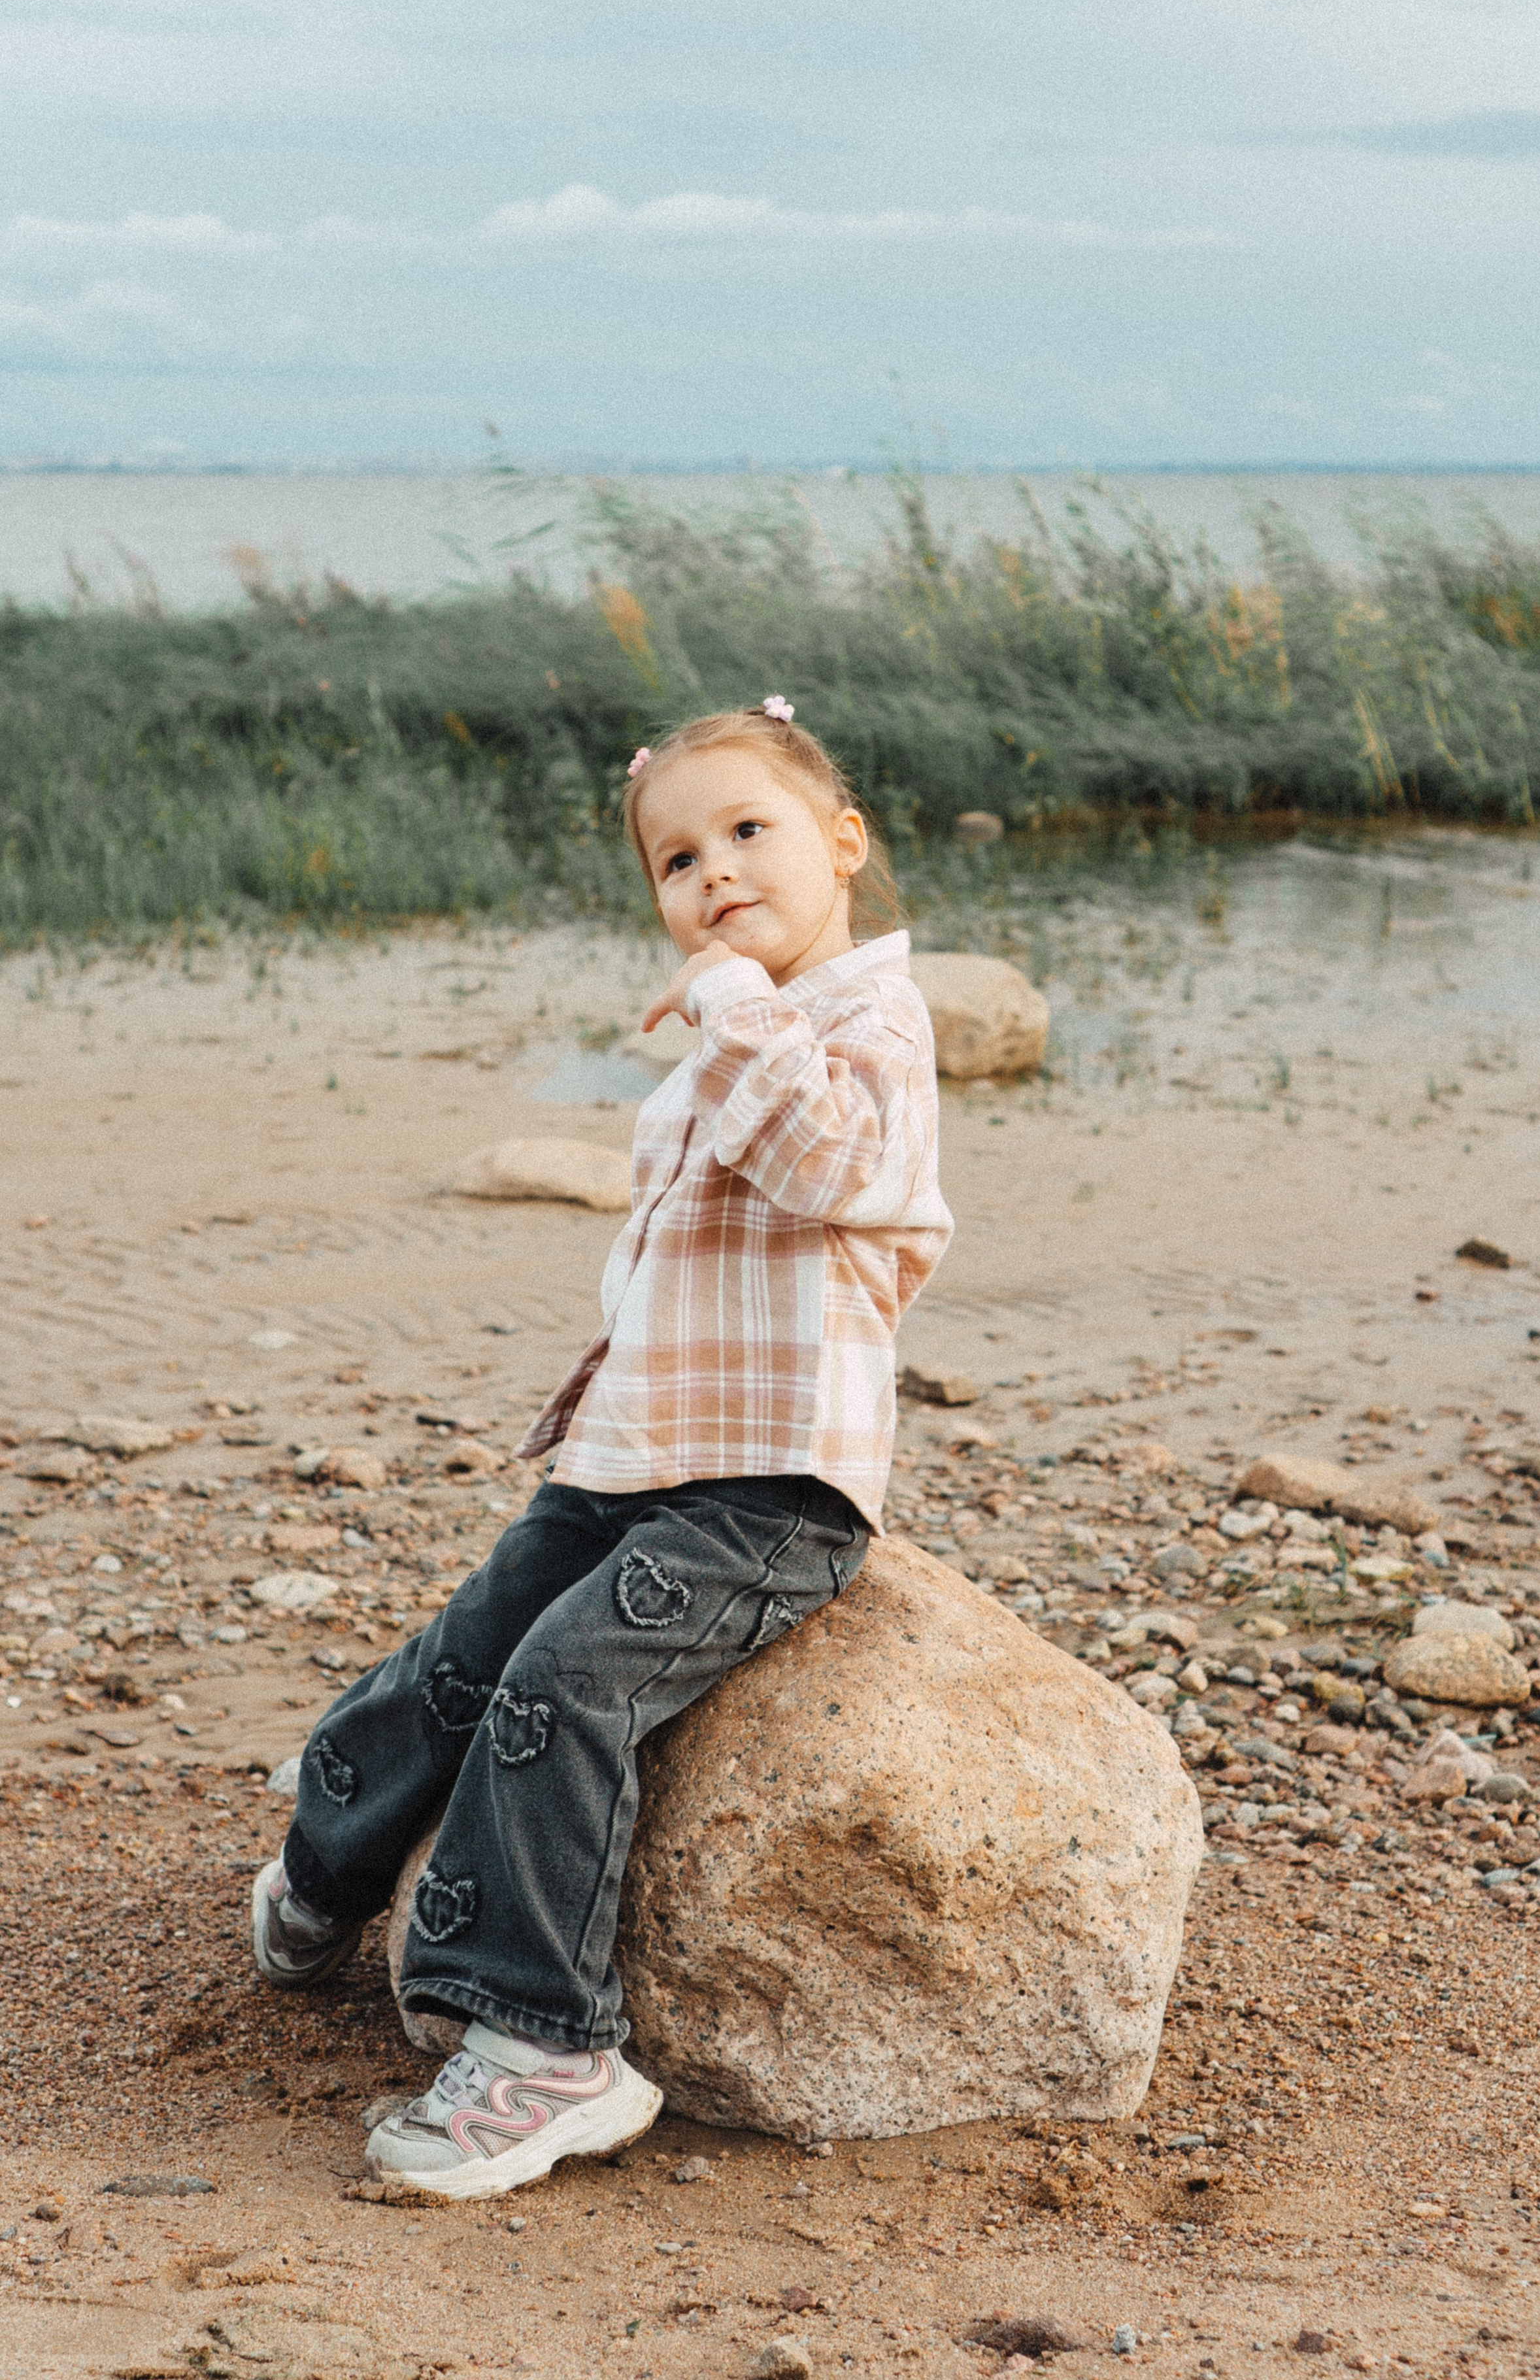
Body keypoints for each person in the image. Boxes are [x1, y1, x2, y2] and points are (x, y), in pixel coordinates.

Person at [250, 697, 954, 2199]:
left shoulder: (867, 1019)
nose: (713, 874)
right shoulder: (736, 1025)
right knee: (472, 1646)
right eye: (676, 857)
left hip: (772, 1484)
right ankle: (326, 1868)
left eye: (748, 833)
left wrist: (730, 1004)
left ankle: (547, 2048)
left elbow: (833, 1166)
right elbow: (666, 1262)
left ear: (843, 843)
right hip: (641, 1455)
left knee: (567, 1690)